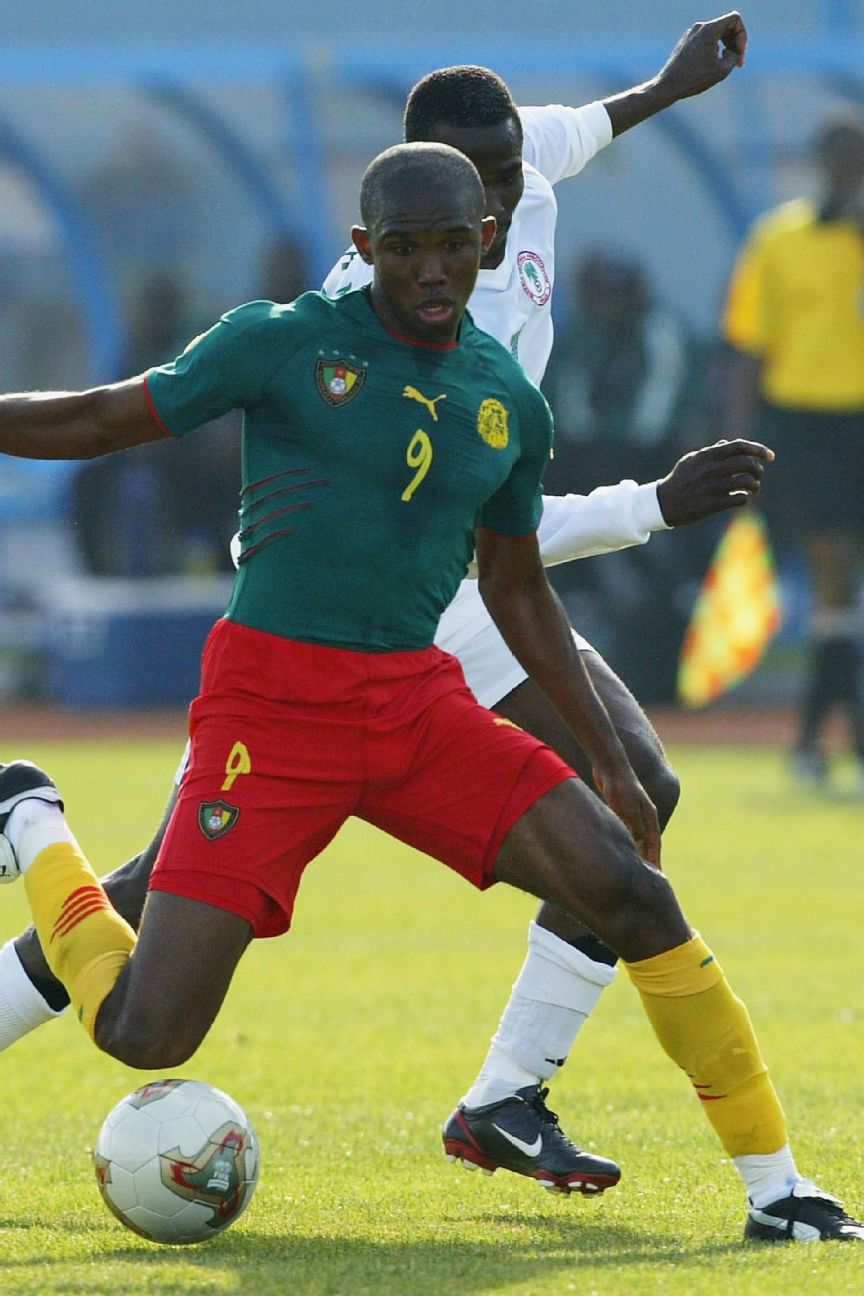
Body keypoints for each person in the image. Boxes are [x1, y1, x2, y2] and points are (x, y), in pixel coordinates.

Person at [0, 142, 861, 1245]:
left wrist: (604, 754)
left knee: (633, 894)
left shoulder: (503, 398)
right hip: (271, 709)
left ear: (486, 240)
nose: (432, 268)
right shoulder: (286, 341)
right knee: (143, 1034)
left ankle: (778, 1191)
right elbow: (95, 419)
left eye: (454, 243)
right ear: (367, 249)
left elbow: (515, 588)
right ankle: (31, 820)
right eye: (403, 248)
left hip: (415, 704)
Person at [722, 114, 864, 791]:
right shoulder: (779, 241)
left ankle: (818, 742)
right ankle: (819, 741)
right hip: (810, 427)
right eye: (841, 161)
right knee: (836, 579)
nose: (850, 174)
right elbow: (748, 349)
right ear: (820, 166)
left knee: (846, 599)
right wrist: (738, 449)